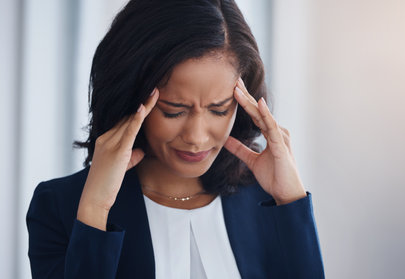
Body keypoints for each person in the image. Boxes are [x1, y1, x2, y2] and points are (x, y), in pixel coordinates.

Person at [26, 0, 325, 278]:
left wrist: (290, 202)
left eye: (219, 110)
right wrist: (95, 210)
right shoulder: (61, 207)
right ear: (131, 99)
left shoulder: (268, 201)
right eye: (174, 111)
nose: (196, 137)